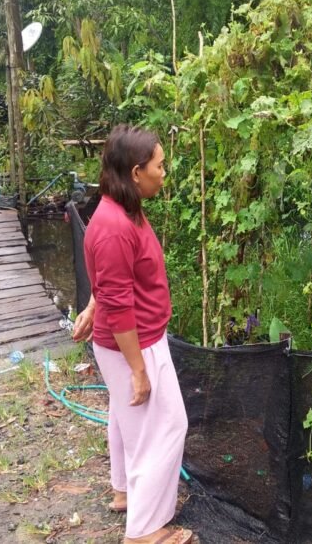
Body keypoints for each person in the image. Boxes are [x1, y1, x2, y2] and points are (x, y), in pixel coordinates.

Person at [72, 125, 192, 544]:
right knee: (166, 427)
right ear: (137, 171)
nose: (165, 173)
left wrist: (91, 306)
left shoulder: (122, 207)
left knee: (126, 420)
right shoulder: (114, 226)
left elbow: (110, 283)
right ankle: (144, 531)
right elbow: (121, 307)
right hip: (132, 342)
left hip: (129, 338)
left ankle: (125, 493)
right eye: (160, 166)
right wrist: (139, 369)